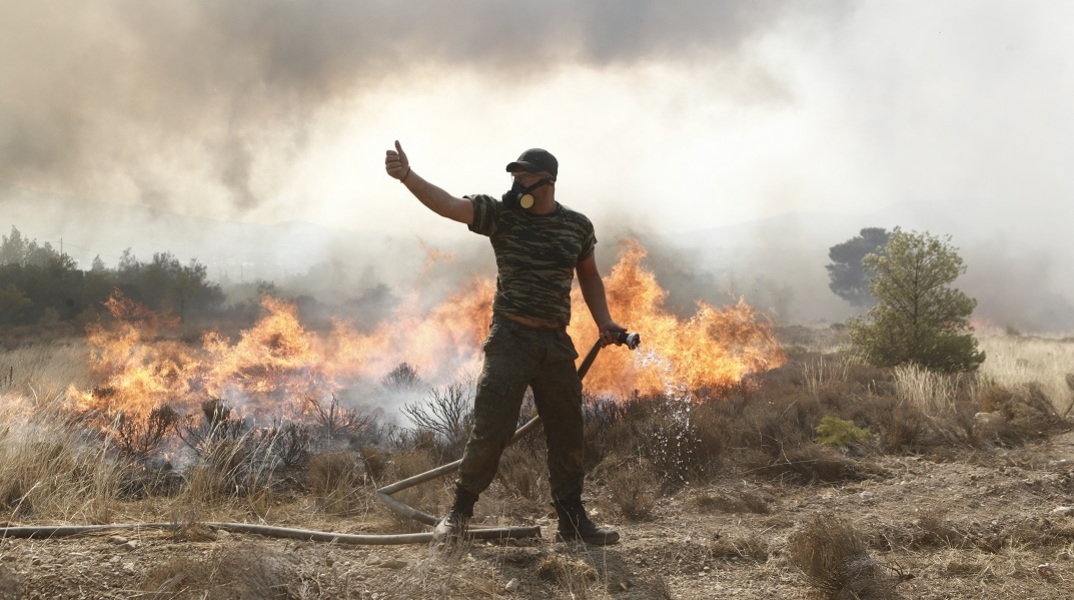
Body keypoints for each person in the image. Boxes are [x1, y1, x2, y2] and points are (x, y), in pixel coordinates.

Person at [384, 141, 625, 545]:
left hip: (555, 343)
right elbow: (447, 205)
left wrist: (605, 321)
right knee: (491, 430)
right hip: (510, 339)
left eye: (526, 176)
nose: (517, 183)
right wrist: (407, 176)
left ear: (548, 182)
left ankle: (572, 521)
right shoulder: (500, 214)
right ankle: (458, 516)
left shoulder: (577, 226)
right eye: (514, 176)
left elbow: (589, 276)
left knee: (567, 433)